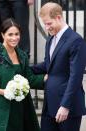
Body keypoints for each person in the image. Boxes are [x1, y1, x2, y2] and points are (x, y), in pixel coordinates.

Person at [0, 18, 46, 131]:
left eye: (17, 34)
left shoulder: (22, 55)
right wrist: (3, 92)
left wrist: (46, 78)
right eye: (10, 34)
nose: (14, 38)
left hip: (18, 109)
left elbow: (30, 79)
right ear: (3, 35)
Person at [31, 2, 86, 131]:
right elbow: (47, 65)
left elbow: (75, 77)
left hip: (68, 107)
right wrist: (24, 68)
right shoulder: (50, 39)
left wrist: (65, 105)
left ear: (59, 17)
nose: (46, 27)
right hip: (49, 104)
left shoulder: (76, 40)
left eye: (49, 23)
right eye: (44, 23)